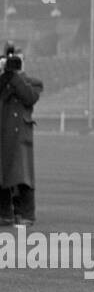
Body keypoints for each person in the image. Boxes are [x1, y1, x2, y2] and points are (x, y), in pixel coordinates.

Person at [0, 43, 42, 226]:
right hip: (3, 132)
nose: (14, 63)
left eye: (17, 60)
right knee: (2, 175)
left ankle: (26, 214)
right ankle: (5, 213)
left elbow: (30, 97)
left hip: (20, 135)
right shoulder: (2, 80)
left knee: (22, 176)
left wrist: (15, 76)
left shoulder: (33, 82)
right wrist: (5, 74)